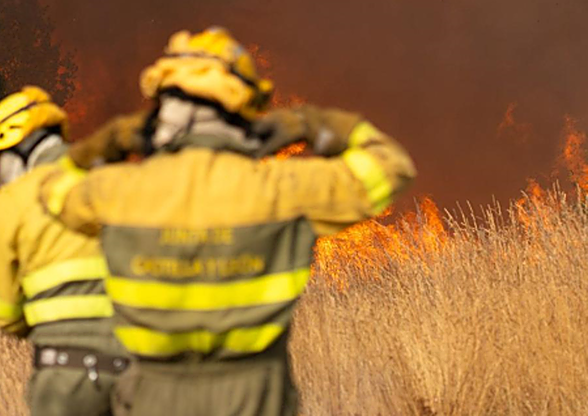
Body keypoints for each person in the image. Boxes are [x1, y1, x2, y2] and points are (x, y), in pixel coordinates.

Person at [38, 27, 417, 416]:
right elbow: (391, 166)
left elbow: (51, 186)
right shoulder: (281, 189)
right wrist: (312, 124)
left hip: (152, 398)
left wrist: (115, 139)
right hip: (254, 398)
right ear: (244, 110)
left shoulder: (120, 192)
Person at [0, 86, 131, 416]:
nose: (1, 180)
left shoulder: (11, 201)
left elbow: (7, 315)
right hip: (142, 370)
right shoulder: (113, 176)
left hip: (67, 379)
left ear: (18, 147)